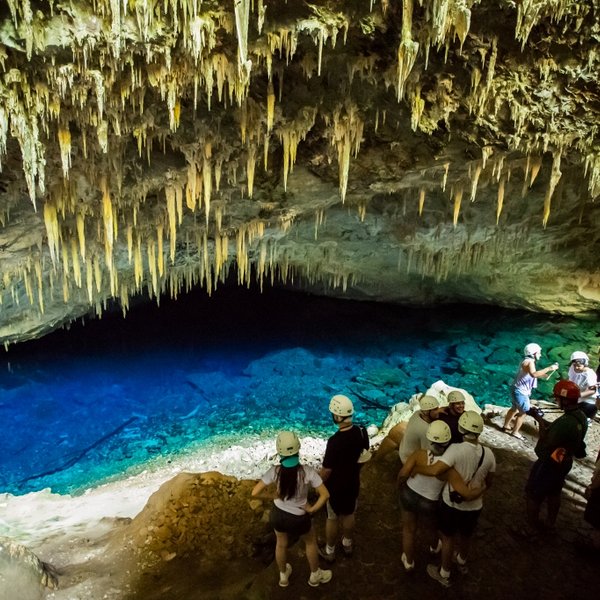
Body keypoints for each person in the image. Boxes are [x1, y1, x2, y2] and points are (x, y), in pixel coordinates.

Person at [412, 411, 496, 587]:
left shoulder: (455, 450)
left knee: (448, 537)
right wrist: (477, 490)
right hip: (475, 506)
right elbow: (489, 481)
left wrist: (417, 469)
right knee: (466, 536)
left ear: (460, 428)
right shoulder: (488, 454)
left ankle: (444, 572)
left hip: (452, 504)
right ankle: (462, 561)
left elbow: (436, 470)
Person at [396, 420, 482, 572]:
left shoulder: (419, 454)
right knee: (431, 528)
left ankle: (408, 562)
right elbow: (464, 492)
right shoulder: (449, 466)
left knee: (408, 529)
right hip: (429, 501)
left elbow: (403, 474)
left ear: (429, 439)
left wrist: (400, 488)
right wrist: (482, 489)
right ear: (447, 441)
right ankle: (434, 547)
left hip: (409, 493)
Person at [251, 431, 333, 588]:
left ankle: (283, 577)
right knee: (310, 542)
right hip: (299, 517)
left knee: (281, 544)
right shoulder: (307, 471)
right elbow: (325, 495)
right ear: (298, 448)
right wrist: (312, 509)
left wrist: (274, 496)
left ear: (279, 450)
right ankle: (315, 575)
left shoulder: (274, 471)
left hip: (278, 514)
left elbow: (254, 493)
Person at [525, 380, 587, 533]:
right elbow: (559, 432)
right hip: (564, 462)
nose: (555, 400)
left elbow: (547, 438)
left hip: (550, 464)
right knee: (554, 492)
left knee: (534, 495)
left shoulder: (566, 422)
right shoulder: (581, 416)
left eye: (557, 398)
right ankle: (550, 524)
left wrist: (538, 419)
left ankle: (530, 529)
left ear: (565, 400)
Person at [318, 394, 370, 562]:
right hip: (353, 482)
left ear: (338, 416)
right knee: (349, 513)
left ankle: (330, 550)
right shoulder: (360, 432)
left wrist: (316, 483)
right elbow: (364, 457)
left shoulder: (334, 441)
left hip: (335, 487)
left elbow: (327, 470)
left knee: (332, 518)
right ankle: (347, 544)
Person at [502, 342, 558, 441]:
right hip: (521, 392)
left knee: (514, 408)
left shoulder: (525, 360)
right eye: (539, 353)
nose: (540, 354)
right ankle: (515, 432)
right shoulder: (530, 362)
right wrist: (549, 368)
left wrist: (542, 375)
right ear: (534, 353)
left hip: (515, 388)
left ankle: (506, 425)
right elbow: (534, 374)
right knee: (523, 413)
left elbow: (529, 374)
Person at [398, 395, 441, 464]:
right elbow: (432, 451)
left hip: (404, 451)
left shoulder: (417, 414)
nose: (438, 411)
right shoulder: (425, 430)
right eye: (435, 409)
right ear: (427, 412)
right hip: (408, 460)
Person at [567, 351, 599, 420]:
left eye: (579, 366)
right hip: (575, 399)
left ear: (585, 364)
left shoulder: (589, 374)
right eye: (575, 365)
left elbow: (592, 391)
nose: (576, 368)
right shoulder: (572, 368)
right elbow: (569, 380)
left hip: (587, 401)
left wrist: (578, 395)